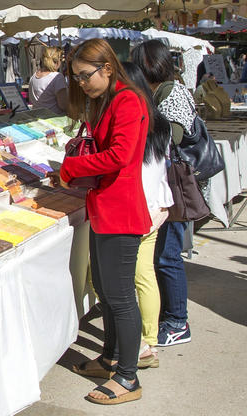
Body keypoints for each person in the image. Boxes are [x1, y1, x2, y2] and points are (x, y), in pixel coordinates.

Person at [59, 39, 150, 406]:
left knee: (121, 297)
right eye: (76, 77)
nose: (81, 83)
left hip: (121, 211)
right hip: (104, 208)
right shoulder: (106, 101)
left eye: (85, 76)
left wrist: (72, 167)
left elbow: (118, 155)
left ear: (107, 69)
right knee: (108, 293)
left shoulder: (128, 100)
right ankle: (111, 357)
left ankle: (128, 377)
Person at [131, 39, 196, 347]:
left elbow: (179, 134)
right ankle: (169, 315)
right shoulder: (161, 91)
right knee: (161, 256)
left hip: (171, 185)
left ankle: (178, 321)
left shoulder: (170, 92)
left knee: (168, 256)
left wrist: (150, 126)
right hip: (165, 182)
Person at [122, 62, 174, 369]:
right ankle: (150, 340)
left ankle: (137, 346)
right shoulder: (161, 122)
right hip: (156, 205)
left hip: (135, 208)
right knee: (144, 276)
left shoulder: (133, 120)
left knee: (123, 283)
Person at [28, 46, 68, 113]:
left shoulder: (33, 76)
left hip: (37, 117)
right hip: (54, 119)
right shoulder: (57, 77)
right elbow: (63, 105)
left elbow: (31, 100)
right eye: (61, 60)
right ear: (57, 61)